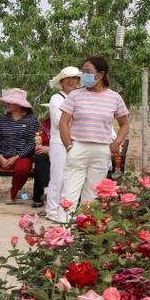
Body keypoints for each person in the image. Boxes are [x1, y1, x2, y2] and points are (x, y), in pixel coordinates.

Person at [58, 55, 129, 220]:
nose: (84, 75)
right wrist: (69, 146)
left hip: (102, 150)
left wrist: (116, 142)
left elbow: (124, 124)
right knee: (69, 192)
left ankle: (85, 230)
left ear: (101, 74)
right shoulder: (75, 95)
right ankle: (63, 229)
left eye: (88, 71)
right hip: (78, 147)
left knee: (92, 195)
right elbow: (63, 123)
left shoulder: (115, 98)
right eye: (83, 71)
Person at [0, 88, 40, 204]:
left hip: (21, 157)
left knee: (22, 169)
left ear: (19, 105)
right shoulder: (3, 119)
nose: (7, 104)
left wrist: (15, 158)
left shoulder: (32, 120)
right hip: (2, 155)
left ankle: (13, 193)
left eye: (10, 102)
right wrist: (0, 157)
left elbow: (31, 144)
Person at [43, 65, 82, 219]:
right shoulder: (56, 98)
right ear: (62, 81)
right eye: (68, 79)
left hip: (78, 142)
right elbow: (59, 121)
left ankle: (66, 211)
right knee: (57, 177)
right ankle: (52, 211)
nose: (71, 81)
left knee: (71, 178)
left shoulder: (80, 97)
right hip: (59, 142)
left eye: (74, 78)